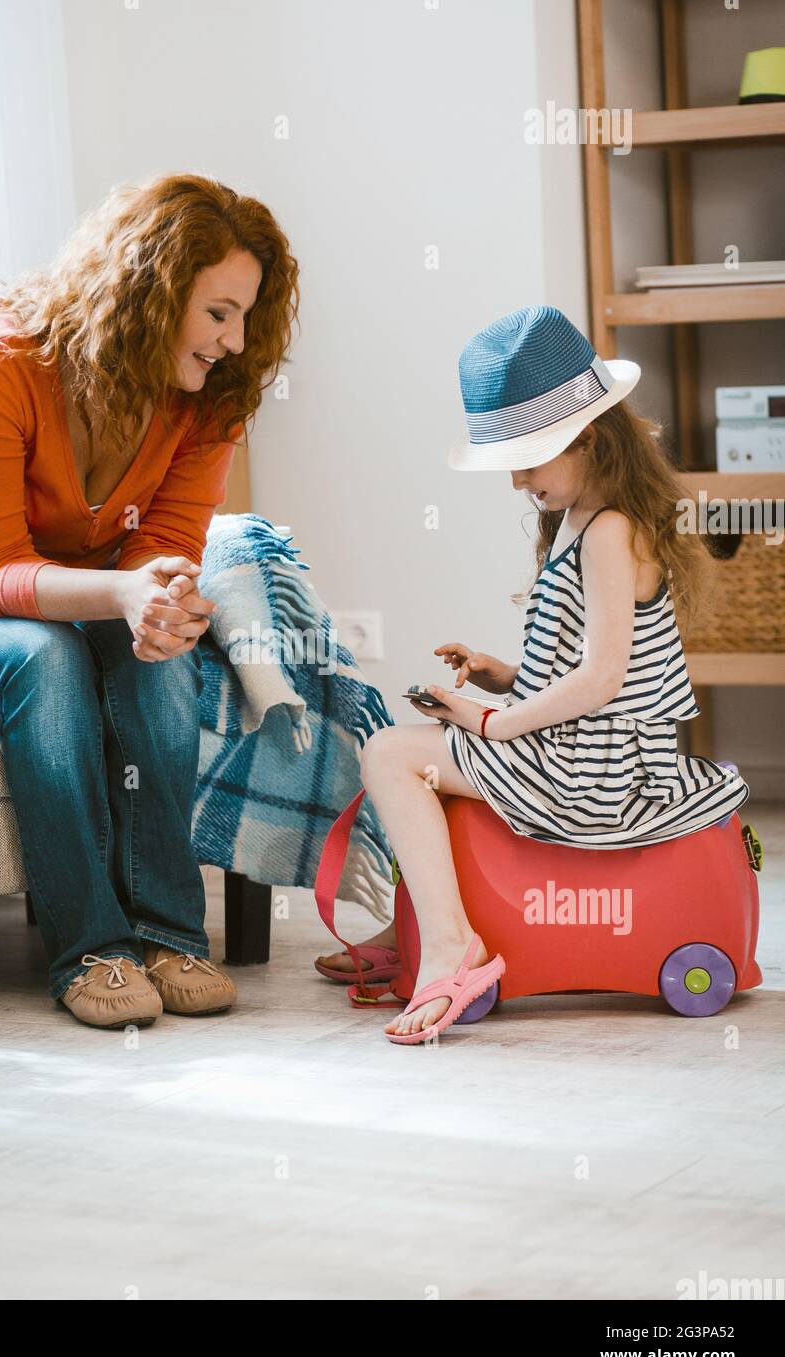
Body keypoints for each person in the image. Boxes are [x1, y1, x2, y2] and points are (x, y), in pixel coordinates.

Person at [0, 173, 299, 1029]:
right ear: (154, 284)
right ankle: (90, 949)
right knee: (47, 656)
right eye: (218, 311)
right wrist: (125, 592)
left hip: (80, 581)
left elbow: (165, 545)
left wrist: (159, 601)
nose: (234, 339)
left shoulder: (210, 400)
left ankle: (169, 930)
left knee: (161, 664)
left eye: (246, 316)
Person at [315, 305, 749, 1045]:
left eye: (529, 456)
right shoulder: (581, 520)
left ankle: (451, 946)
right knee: (411, 751)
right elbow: (580, 670)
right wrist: (497, 675)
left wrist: (489, 722)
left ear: (589, 436)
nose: (516, 478)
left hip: (596, 774)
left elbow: (603, 682)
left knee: (389, 753)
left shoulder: (610, 531)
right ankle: (420, 926)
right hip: (580, 752)